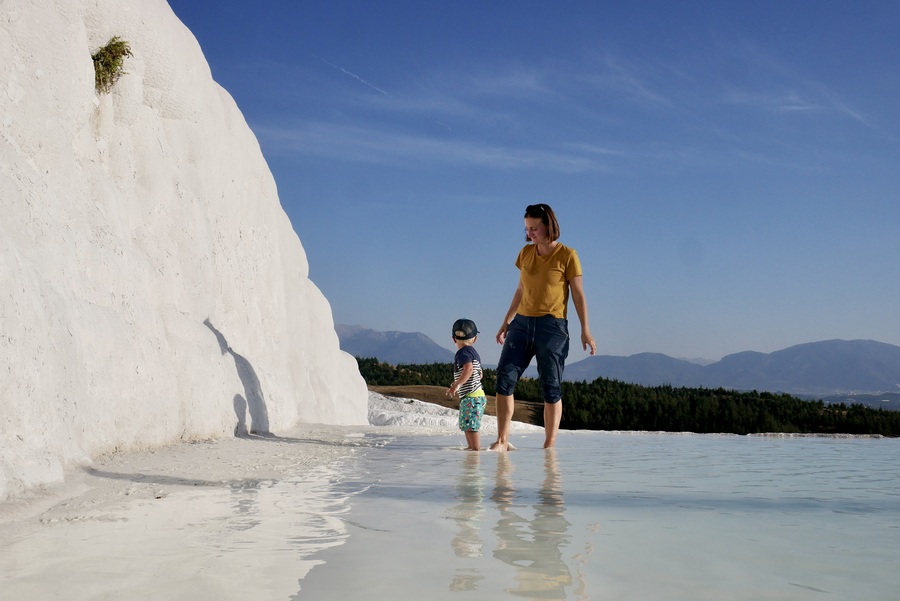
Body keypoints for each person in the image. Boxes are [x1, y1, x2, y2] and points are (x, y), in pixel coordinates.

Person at [491, 204, 596, 451]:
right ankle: (502, 440)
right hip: (522, 324)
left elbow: (578, 295)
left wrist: (585, 329)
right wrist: (506, 320)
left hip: (552, 327)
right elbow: (520, 290)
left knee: (550, 386)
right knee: (504, 379)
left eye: (534, 228)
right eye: (527, 228)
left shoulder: (567, 255)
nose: (530, 233)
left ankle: (549, 445)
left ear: (548, 225)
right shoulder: (525, 254)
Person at [446, 318, 487, 451]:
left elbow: (468, 369)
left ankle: (475, 450)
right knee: (467, 424)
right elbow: (479, 373)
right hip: (474, 396)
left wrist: (456, 384)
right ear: (475, 339)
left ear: (453, 339)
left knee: (471, 425)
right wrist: (458, 381)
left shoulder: (462, 353)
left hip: (472, 396)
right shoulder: (473, 353)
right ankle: (471, 448)